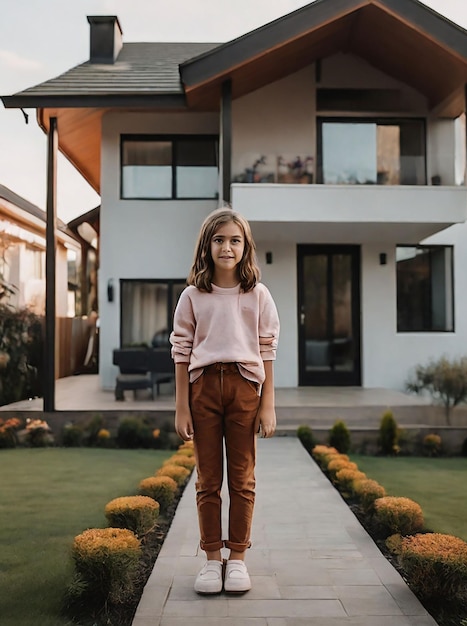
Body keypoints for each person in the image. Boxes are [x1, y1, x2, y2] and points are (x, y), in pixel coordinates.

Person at [170, 207, 280, 595]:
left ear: (245, 246)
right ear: (207, 246)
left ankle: (237, 560)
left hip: (245, 388)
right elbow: (181, 350)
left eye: (235, 240)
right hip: (202, 389)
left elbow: (267, 348)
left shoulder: (258, 295)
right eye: (219, 240)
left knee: (242, 480)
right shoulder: (193, 296)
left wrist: (268, 403)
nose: (227, 247)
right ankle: (211, 559)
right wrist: (181, 405)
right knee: (208, 480)